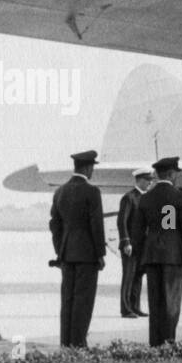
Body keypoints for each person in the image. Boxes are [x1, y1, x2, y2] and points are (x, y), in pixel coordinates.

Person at [132, 156, 182, 346]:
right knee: (171, 304)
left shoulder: (145, 198)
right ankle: (168, 342)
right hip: (173, 256)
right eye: (176, 173)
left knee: (155, 301)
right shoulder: (179, 197)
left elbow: (137, 232)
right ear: (171, 173)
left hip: (151, 256)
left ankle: (155, 343)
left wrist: (140, 257)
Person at [49, 149, 105, 347]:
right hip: (87, 255)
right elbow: (96, 225)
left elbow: (54, 225)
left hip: (66, 254)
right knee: (83, 300)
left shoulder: (60, 191)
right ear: (88, 168)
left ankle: (66, 342)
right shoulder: (92, 192)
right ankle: (78, 343)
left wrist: (60, 249)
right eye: (92, 168)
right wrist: (100, 254)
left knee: (68, 300)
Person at [117, 167, 151, 318]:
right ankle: (125, 309)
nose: (149, 183)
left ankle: (135, 307)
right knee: (129, 276)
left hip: (142, 245)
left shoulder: (146, 197)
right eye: (147, 180)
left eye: (150, 180)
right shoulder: (129, 197)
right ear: (139, 180)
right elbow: (122, 222)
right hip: (130, 245)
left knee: (138, 277)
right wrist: (126, 242)